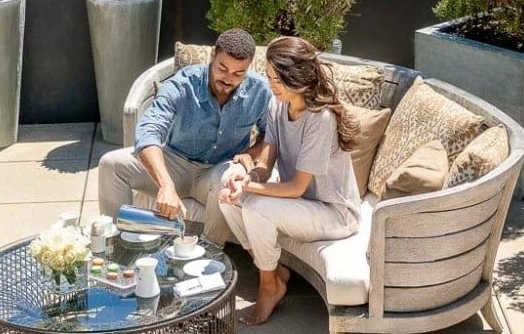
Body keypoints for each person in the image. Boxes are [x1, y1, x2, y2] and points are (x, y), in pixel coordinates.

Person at [218, 36, 361, 326]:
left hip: (334, 214)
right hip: (302, 205)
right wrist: (244, 178)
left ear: (298, 78)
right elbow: (267, 158)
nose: (271, 85)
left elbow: (295, 188)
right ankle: (274, 273)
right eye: (269, 77)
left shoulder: (320, 118)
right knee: (229, 191)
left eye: (277, 79)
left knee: (256, 206)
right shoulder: (278, 104)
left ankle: (269, 285)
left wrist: (249, 187)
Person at [97, 28, 272, 246]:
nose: (228, 79)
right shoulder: (183, 83)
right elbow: (148, 130)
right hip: (175, 162)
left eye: (238, 74)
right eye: (222, 68)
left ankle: (212, 251)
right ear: (212, 57)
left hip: (219, 168)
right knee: (110, 164)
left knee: (227, 179)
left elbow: (271, 134)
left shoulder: (260, 91)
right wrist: (165, 185)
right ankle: (117, 246)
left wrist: (249, 154)